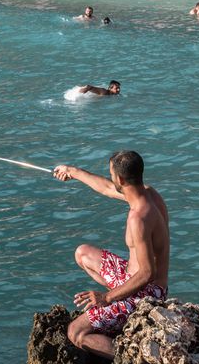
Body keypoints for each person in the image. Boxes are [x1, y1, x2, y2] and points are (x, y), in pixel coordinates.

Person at [52, 151, 169, 359]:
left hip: (147, 293)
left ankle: (132, 356)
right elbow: (106, 188)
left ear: (121, 179)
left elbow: (147, 273)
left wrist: (106, 297)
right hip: (133, 277)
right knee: (83, 254)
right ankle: (117, 311)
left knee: (75, 332)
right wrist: (72, 171)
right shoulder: (148, 193)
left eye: (111, 174)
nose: (110, 179)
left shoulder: (139, 218)